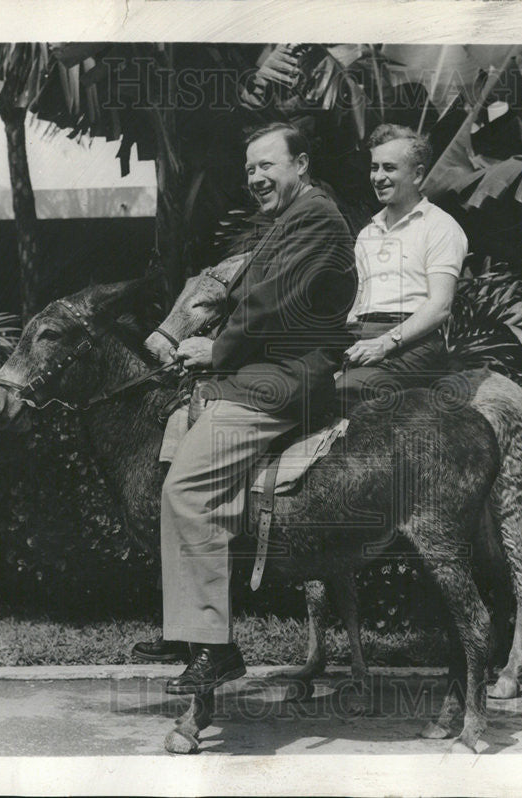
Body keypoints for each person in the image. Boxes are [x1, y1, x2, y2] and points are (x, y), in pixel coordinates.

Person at [137, 123, 356, 693]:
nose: (257, 178)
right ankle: (186, 619)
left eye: (268, 166)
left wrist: (216, 350)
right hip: (259, 372)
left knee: (185, 489)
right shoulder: (289, 219)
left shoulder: (315, 218)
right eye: (250, 169)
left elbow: (271, 303)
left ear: (301, 164)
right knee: (174, 449)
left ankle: (214, 646)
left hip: (280, 382)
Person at [335, 124, 468, 410]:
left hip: (411, 342)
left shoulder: (440, 226)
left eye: (389, 168)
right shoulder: (368, 232)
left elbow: (441, 306)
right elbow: (357, 300)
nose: (378, 178)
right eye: (374, 168)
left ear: (417, 174)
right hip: (362, 335)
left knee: (346, 392)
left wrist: (386, 342)